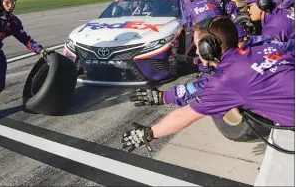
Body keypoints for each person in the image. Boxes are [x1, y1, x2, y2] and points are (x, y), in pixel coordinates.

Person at [122, 16, 294, 152]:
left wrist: (148, 133)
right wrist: (164, 96)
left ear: (208, 49)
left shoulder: (225, 80)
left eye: (198, 46)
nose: (196, 51)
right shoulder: (265, 46)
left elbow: (184, 116)